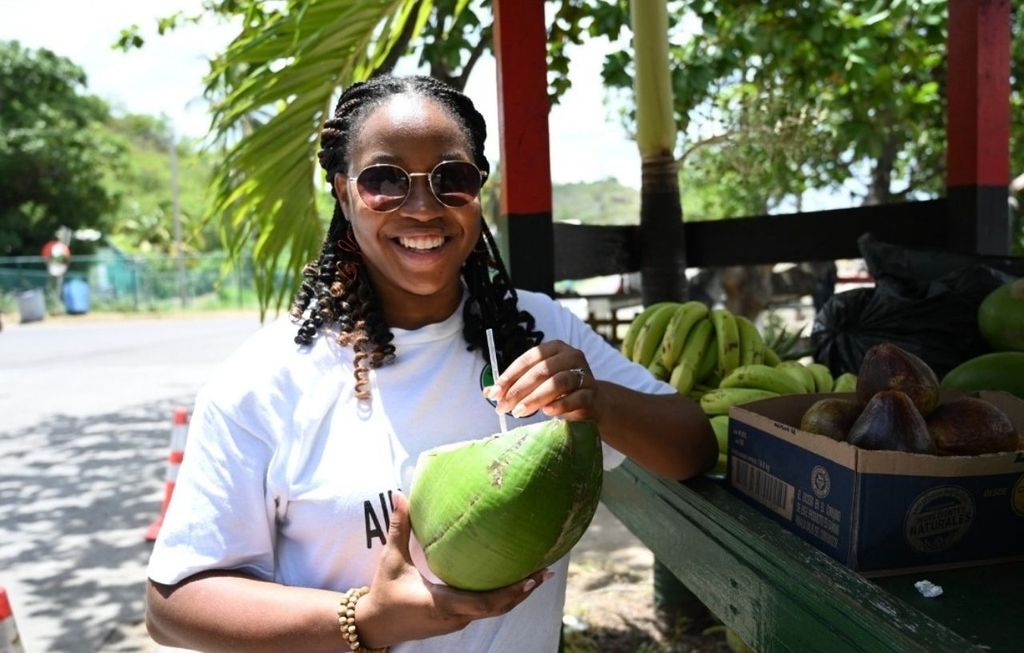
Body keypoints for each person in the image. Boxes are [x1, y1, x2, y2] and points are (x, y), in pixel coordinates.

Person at [144, 74, 717, 653]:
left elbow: (692, 447)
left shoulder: (540, 331)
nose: (423, 208)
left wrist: (600, 399)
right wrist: (364, 617)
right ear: (344, 194)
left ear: (478, 193)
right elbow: (176, 603)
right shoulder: (266, 380)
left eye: (452, 178)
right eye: (385, 180)